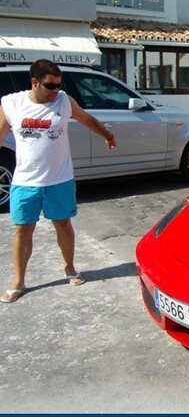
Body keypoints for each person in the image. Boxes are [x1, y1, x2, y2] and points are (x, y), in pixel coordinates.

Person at [0, 59, 117, 303]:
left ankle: (70, 268)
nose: (56, 91)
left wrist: (107, 134)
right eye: (50, 86)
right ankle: (18, 281)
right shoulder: (11, 103)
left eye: (58, 85)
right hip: (25, 181)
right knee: (23, 230)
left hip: (60, 179)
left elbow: (87, 119)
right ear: (35, 82)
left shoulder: (64, 100)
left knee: (63, 224)